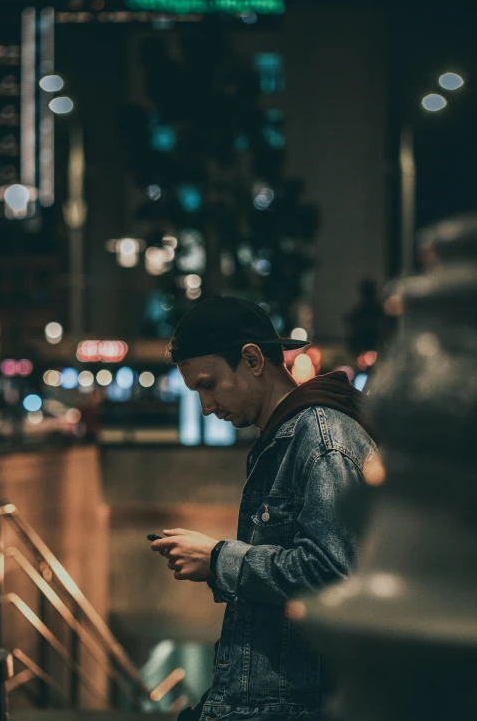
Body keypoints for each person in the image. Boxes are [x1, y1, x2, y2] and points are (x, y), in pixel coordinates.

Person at [151, 297, 378, 721]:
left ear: (253, 359)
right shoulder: (290, 435)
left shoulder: (320, 437)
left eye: (208, 384)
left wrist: (218, 560)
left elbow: (335, 574)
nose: (205, 406)